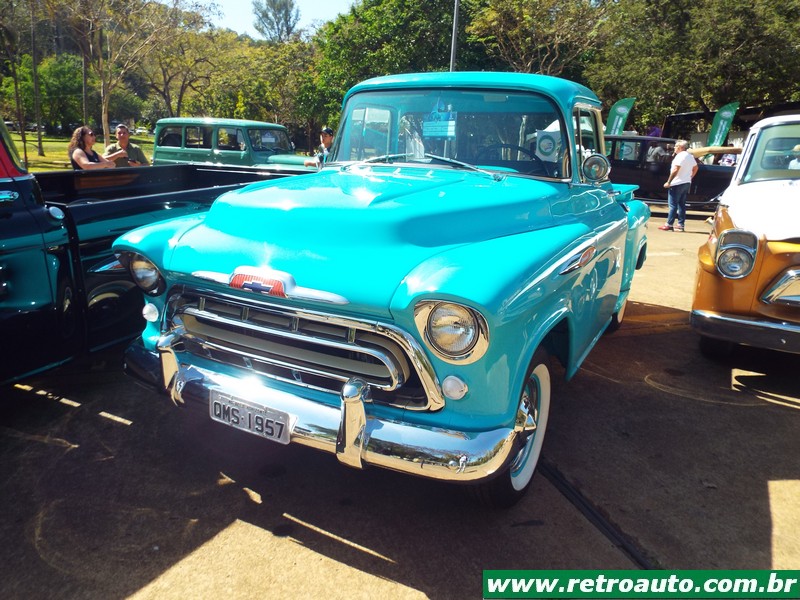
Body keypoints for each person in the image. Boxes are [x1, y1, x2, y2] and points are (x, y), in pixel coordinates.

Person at [659, 139, 698, 232]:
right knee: (681, 204)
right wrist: (690, 177)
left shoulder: (680, 156)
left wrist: (669, 182)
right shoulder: (690, 156)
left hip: (677, 183)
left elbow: (676, 169)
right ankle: (680, 224)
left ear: (680, 147)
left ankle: (669, 224)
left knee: (673, 205)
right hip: (686, 182)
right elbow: (696, 168)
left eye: (676, 146)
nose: (674, 148)